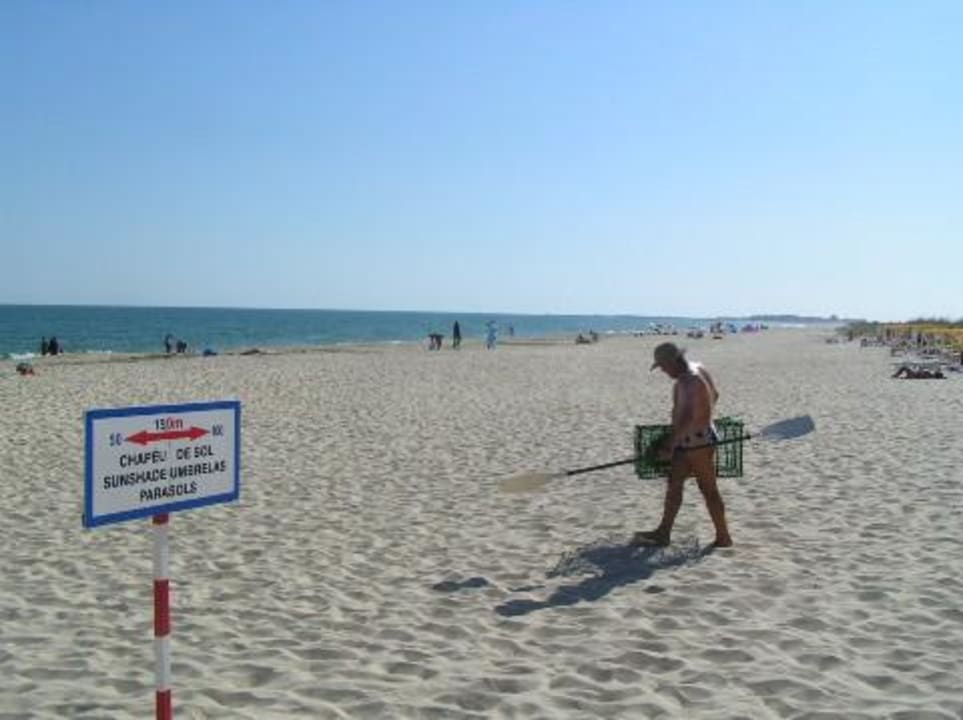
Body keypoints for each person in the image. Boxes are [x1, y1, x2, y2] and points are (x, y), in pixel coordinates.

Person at [633, 342, 733, 548]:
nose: (662, 370)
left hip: (696, 443)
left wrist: (669, 446)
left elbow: (687, 419)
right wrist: (705, 414)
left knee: (708, 489)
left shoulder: (688, 382)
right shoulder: (700, 368)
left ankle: (723, 537)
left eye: (663, 366)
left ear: (673, 361)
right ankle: (663, 532)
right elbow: (715, 395)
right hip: (698, 437)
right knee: (674, 484)